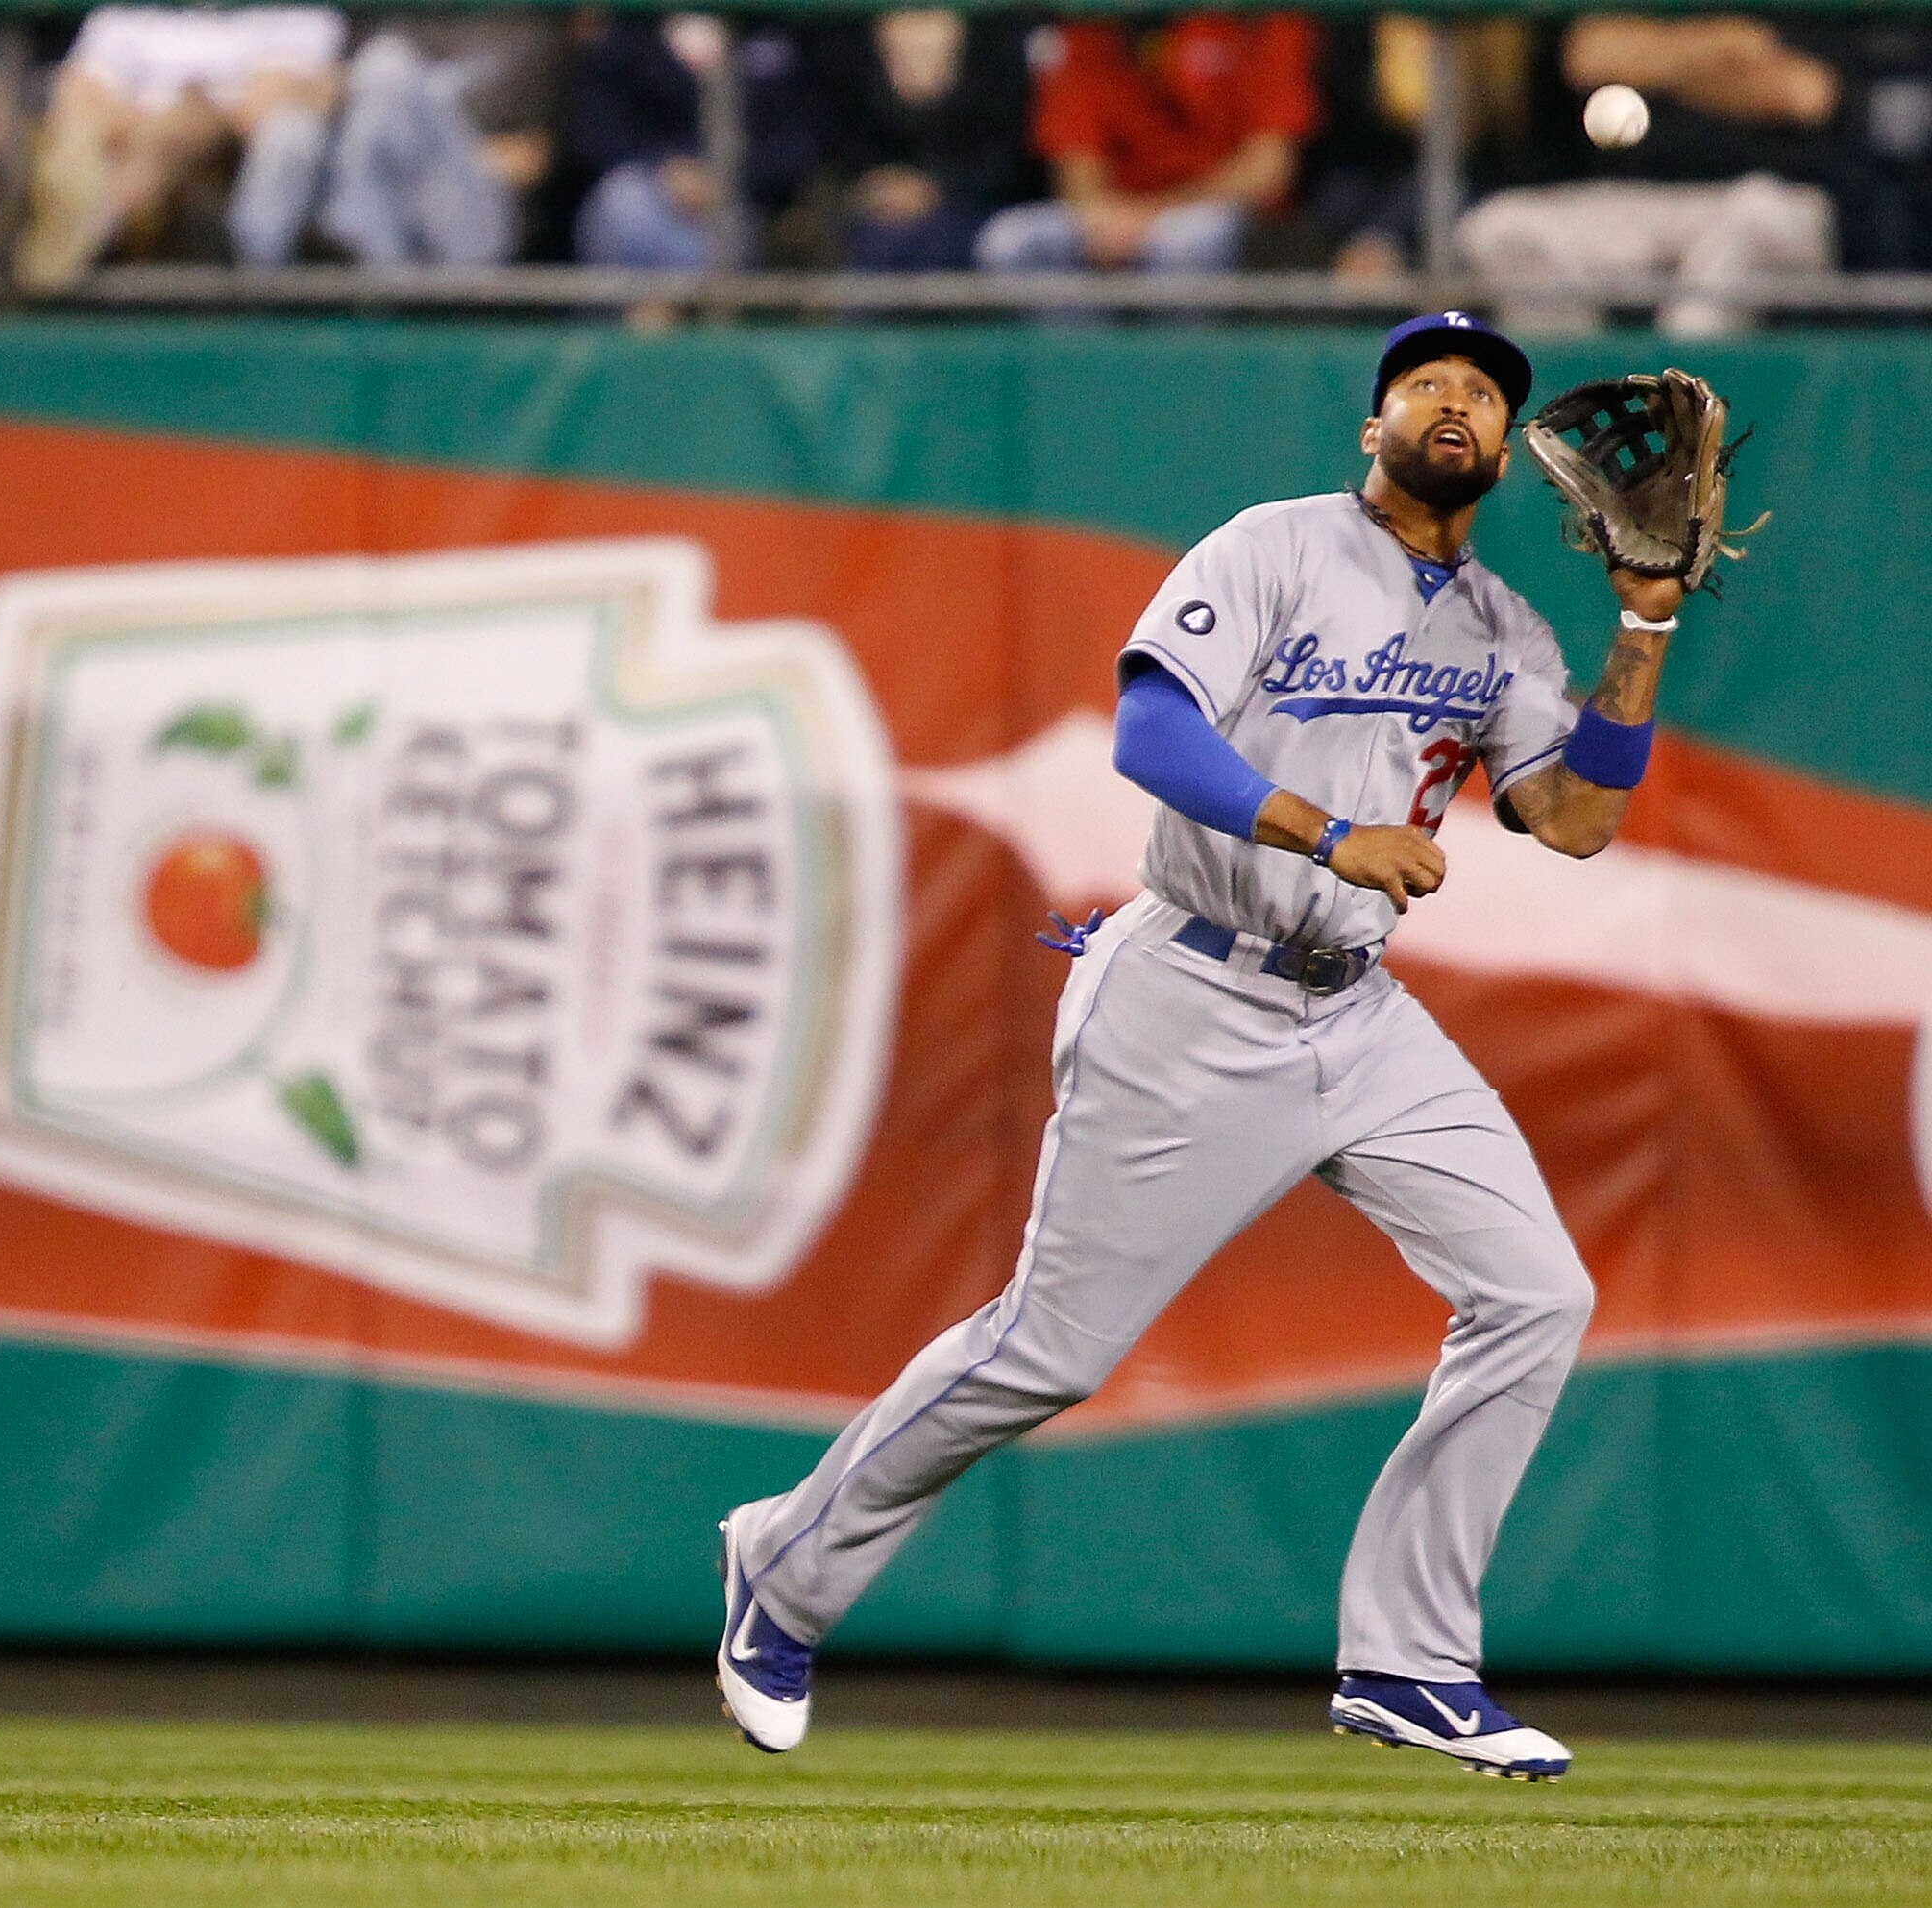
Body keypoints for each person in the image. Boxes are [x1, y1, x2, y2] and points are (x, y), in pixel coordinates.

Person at [717, 313, 1697, 1782]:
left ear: (1510, 452)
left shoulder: (1508, 629)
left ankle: (1409, 1662)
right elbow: (1151, 737)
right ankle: (783, 1570)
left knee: (1535, 1290)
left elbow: (1577, 815)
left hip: (1358, 1013)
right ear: (1371, 429)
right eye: (1422, 381)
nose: (1454, 399)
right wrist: (1328, 832)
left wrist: (1647, 625)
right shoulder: (1273, 547)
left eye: (1483, 390)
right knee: (1048, 1352)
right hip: (1191, 984)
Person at [1456, 14, 1850, 336]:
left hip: (1761, 194)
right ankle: (1573, 416)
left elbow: (1803, 93)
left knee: (1754, 226)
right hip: (1628, 198)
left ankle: (1685, 415)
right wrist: (1725, 50)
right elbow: (1591, 55)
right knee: (1502, 228)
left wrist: (1651, 58)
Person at [14, 5, 345, 290]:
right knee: (70, 137)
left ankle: (72, 253)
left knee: (185, 126)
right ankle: (76, 246)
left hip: (221, 146)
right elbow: (79, 92)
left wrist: (174, 114)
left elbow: (260, 109)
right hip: (131, 140)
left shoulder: (293, 12)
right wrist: (153, 122)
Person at [974, 12, 1317, 277]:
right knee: (1011, 241)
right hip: (1116, 214)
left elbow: (1268, 171)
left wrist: (1152, 216)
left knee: (1188, 240)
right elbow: (1076, 166)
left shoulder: (1259, 19)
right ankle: (1071, 365)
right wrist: (1103, 218)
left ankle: (1189, 369)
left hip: (1223, 214)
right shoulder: (1089, 27)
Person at [564, 12, 819, 271]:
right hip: (646, 187)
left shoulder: (775, 35)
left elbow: (799, 144)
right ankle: (655, 307)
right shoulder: (627, 34)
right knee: (625, 203)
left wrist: (725, 179)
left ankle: (669, 306)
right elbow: (596, 134)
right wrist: (664, 166)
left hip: (747, 200)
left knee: (726, 230)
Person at [312, 12, 569, 269]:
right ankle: (371, 269)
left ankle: (360, 248)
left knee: (386, 68)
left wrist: (440, 155)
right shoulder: (392, 20)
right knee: (383, 69)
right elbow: (328, 100)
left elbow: (531, 157)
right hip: (389, 197)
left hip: (480, 218)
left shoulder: (528, 29)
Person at [811, 9, 1035, 272]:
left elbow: (1006, 154)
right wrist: (878, 185)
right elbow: (837, 139)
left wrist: (936, 187)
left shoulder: (999, 30)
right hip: (874, 208)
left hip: (981, 205)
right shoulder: (845, 31)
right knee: (873, 245)